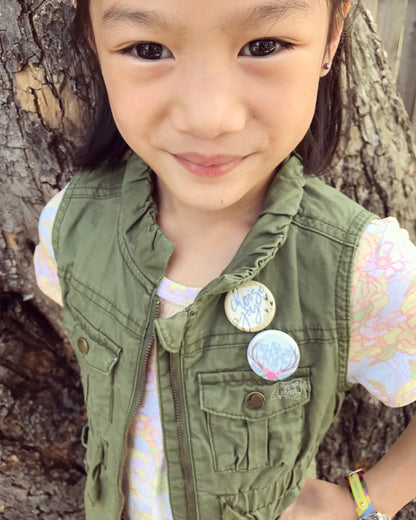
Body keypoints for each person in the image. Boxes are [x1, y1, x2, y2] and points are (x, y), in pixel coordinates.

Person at [34, 0, 416, 518]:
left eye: (263, 46)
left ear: (331, 37)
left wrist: (368, 502)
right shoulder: (69, 225)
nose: (208, 119)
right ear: (93, 42)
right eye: (148, 49)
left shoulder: (365, 268)